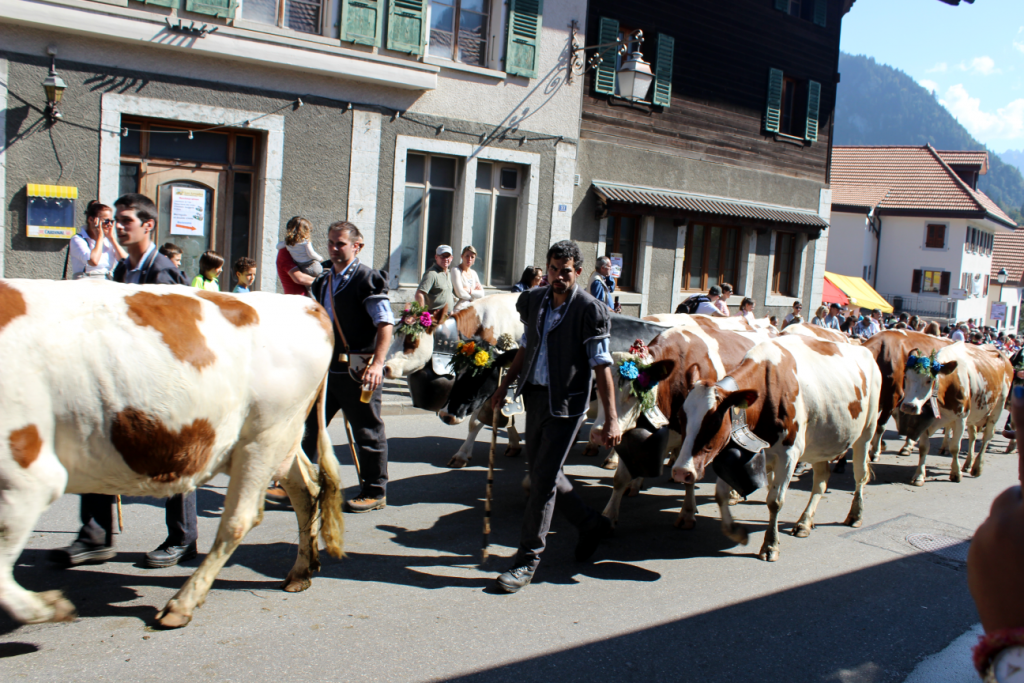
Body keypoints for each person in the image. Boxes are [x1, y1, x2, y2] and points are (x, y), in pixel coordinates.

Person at [51, 193, 198, 569]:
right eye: (115, 220)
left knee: (174, 461)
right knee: (96, 447)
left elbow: (171, 339)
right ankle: (95, 536)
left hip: (163, 386)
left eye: (126, 220)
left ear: (148, 225)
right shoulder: (121, 270)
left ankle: (183, 539)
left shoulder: (162, 272)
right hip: (125, 385)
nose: (117, 226)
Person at [488, 240, 620, 593]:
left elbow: (601, 366)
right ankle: (591, 524)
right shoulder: (533, 300)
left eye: (566, 271)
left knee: (542, 482)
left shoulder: (589, 310)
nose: (559, 276)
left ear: (578, 272)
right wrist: (505, 385)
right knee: (544, 473)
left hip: (568, 405)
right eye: (553, 269)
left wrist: (611, 418)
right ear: (546, 268)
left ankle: (527, 560)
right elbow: (526, 346)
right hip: (535, 397)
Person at [303, 221, 393, 513]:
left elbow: (385, 324)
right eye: (330, 242)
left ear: (357, 246)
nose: (333, 248)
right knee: (309, 427)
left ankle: (374, 491)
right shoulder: (322, 281)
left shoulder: (367, 279)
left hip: (360, 369)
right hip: (326, 369)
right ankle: (301, 483)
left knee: (367, 431)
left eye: (340, 243)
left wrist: (378, 364)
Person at [69, 200, 127, 279]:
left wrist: (112, 239)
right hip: (87, 281)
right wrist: (99, 237)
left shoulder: (108, 241)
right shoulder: (78, 239)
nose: (109, 224)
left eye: (111, 221)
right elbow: (93, 261)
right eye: (106, 221)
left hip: (107, 281)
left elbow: (125, 262)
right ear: (91, 220)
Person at [281, 216, 324, 281]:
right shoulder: (305, 241)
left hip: (302, 269)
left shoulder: (287, 243)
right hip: (312, 266)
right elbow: (311, 253)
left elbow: (278, 246)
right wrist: (320, 259)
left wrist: (285, 243)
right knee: (322, 279)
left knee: (309, 285)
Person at [415, 245, 455, 314]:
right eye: (442, 256)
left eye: (447, 256)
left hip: (448, 315)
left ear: (451, 258)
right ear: (436, 257)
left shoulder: (448, 273)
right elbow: (419, 294)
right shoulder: (431, 274)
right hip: (435, 316)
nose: (445, 259)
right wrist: (423, 314)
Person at [451, 245, 485, 313]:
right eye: (467, 256)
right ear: (462, 256)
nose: (469, 259)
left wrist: (470, 291)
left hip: (473, 309)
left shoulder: (474, 273)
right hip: (460, 309)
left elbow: (482, 294)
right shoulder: (456, 270)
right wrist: (473, 297)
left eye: (472, 257)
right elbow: (460, 293)